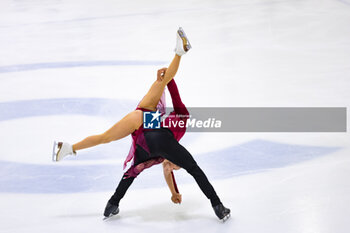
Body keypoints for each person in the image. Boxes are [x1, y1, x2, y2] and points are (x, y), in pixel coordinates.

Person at [53, 27, 230, 221]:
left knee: (108, 139)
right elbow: (168, 165)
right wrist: (165, 82)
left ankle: (71, 150)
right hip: (152, 130)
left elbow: (167, 168)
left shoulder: (167, 155)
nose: (172, 167)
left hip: (149, 124)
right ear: (175, 163)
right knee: (184, 168)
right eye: (175, 166)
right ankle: (218, 207)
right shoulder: (176, 133)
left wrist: (164, 82)